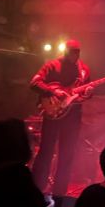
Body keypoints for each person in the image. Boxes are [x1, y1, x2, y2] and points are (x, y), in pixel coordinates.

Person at [29, 39, 91, 198]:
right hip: (53, 114)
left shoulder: (84, 70)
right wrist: (53, 92)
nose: (70, 55)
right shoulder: (52, 65)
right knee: (46, 151)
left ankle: (59, 193)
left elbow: (84, 95)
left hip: (73, 116)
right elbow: (34, 82)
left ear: (78, 53)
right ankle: (36, 189)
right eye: (68, 51)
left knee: (67, 154)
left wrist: (89, 93)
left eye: (73, 52)